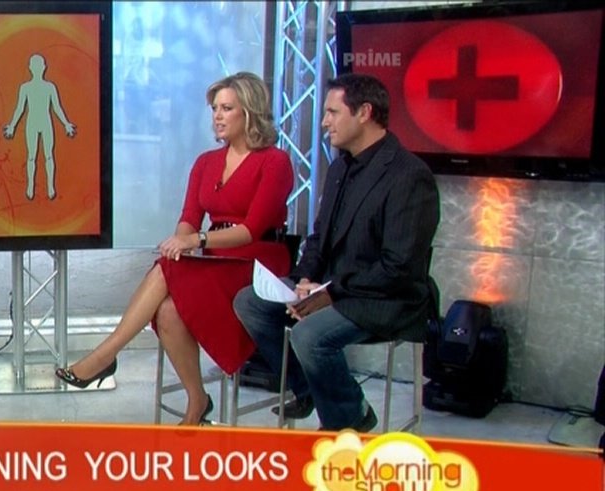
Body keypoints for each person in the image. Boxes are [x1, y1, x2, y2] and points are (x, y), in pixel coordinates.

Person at [56, 71, 294, 425]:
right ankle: (197, 400)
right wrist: (180, 243)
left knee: (166, 270)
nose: (217, 116)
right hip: (215, 261)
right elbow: (189, 219)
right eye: (215, 108)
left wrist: (195, 241)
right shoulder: (206, 162)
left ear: (250, 112)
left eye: (227, 108)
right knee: (167, 308)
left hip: (257, 263)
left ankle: (106, 354)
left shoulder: (274, 161)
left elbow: (251, 230)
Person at [233, 73, 440, 432]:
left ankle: (348, 420)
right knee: (249, 302)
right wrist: (305, 278)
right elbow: (320, 236)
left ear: (364, 113)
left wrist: (330, 293)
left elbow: (399, 267)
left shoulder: (409, 176)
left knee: (309, 336)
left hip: (386, 297)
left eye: (332, 112)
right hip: (333, 286)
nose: (324, 122)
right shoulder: (341, 166)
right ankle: (308, 388)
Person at [3, 53, 77, 201]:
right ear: (30, 68)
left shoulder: (50, 87)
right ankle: (30, 185)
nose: (37, 68)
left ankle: (50, 186)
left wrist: (66, 124)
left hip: (46, 122)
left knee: (48, 155)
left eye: (39, 65)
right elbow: (20, 109)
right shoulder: (25, 88)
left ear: (44, 67)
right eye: (35, 66)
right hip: (32, 123)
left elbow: (57, 108)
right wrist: (12, 126)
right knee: (31, 156)